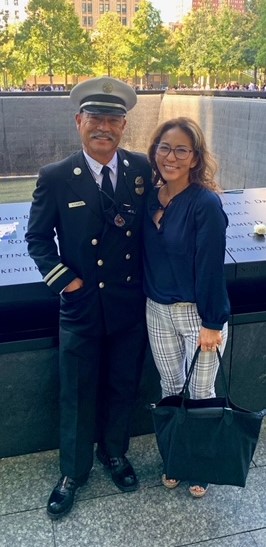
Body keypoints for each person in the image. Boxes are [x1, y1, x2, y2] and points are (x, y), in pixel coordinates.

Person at [26, 76, 152, 519]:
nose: (105, 127)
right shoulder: (56, 177)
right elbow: (38, 240)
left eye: (113, 120)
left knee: (122, 385)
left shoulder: (140, 170)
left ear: (123, 126)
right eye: (96, 118)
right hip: (80, 308)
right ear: (79, 121)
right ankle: (73, 472)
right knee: (77, 391)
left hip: (128, 305)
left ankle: (114, 454)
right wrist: (69, 283)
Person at [143, 117, 230, 498]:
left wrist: (212, 322)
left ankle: (200, 464)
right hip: (156, 310)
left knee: (200, 392)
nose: (171, 156)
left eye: (181, 150)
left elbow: (211, 267)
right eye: (164, 148)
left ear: (195, 158)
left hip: (198, 314)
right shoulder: (149, 197)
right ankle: (176, 456)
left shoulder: (205, 204)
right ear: (154, 152)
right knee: (171, 386)